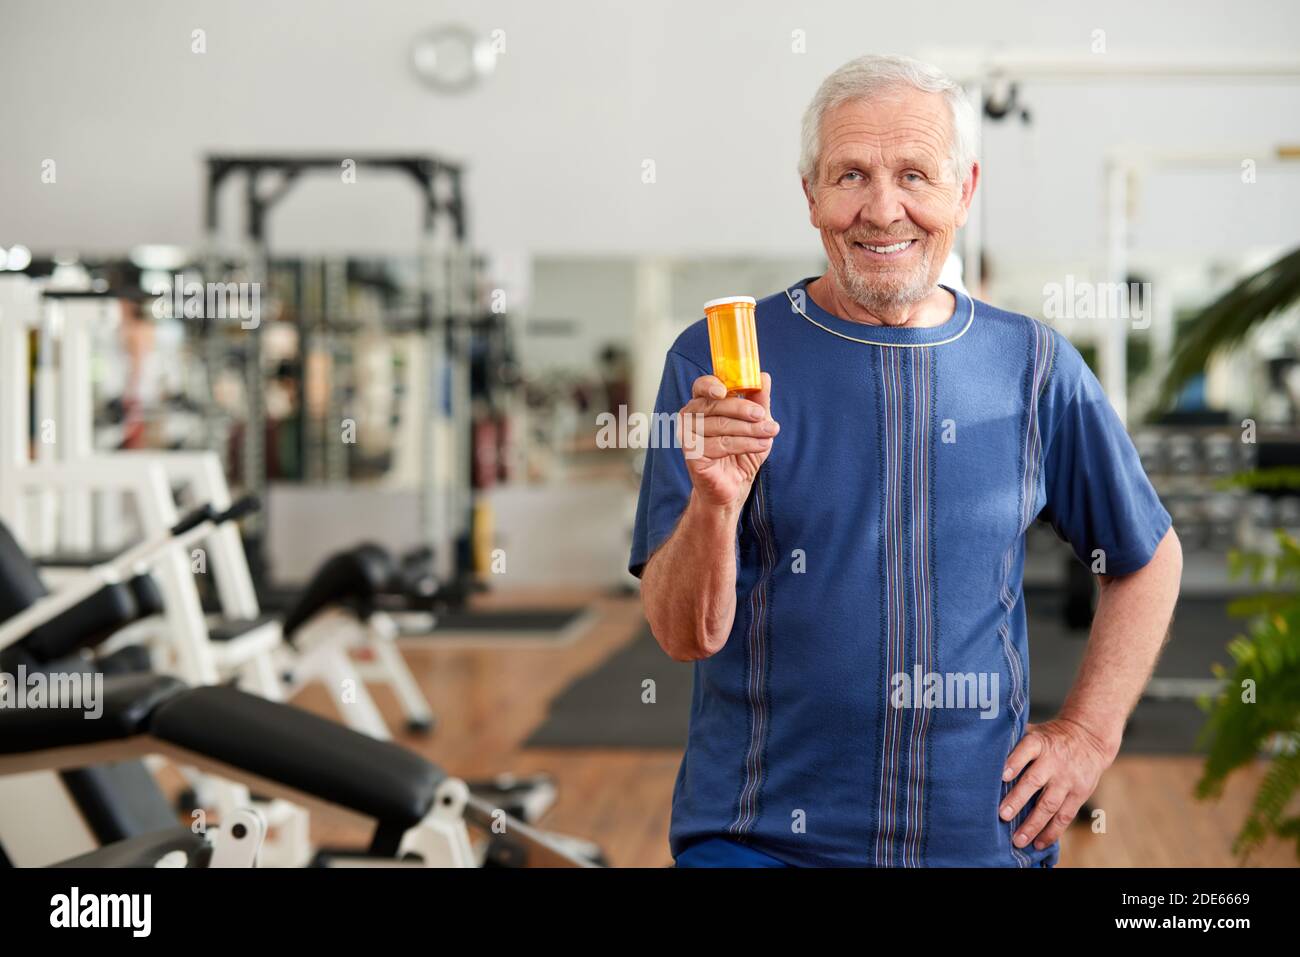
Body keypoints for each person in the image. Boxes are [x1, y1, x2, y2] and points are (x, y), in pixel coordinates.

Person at [629, 54, 1182, 867]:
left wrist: (1089, 733)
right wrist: (715, 505)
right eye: (850, 175)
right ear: (811, 194)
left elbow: (1146, 555)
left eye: (915, 175)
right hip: (757, 840)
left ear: (965, 189)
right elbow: (683, 635)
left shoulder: (1033, 366)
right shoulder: (717, 363)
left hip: (979, 840)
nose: (882, 209)